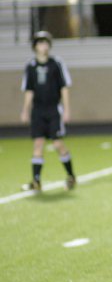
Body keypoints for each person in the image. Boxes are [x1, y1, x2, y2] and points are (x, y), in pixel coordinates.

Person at [20, 31, 76, 192]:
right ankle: (36, 181)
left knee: (58, 143)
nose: (43, 46)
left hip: (53, 110)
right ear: (35, 47)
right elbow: (29, 90)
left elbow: (64, 88)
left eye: (45, 43)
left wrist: (66, 109)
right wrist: (25, 110)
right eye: (40, 43)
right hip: (37, 111)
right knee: (38, 143)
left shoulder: (56, 64)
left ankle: (71, 175)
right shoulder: (30, 66)